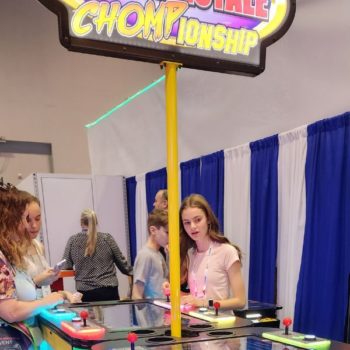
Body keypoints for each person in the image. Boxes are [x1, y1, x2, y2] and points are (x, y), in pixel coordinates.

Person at [0, 181, 77, 347]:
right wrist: (54, 298)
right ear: (9, 221)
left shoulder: (9, 255)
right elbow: (11, 311)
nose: (29, 226)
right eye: (25, 219)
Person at [178, 194, 246, 310]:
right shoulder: (190, 254)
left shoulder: (227, 251)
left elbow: (240, 301)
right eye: (187, 222)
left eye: (198, 220)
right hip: (195, 324)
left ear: (208, 219)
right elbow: (195, 296)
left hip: (220, 325)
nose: (193, 226)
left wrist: (204, 303)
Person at [62, 209, 133, 302]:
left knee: (90, 317)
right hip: (108, 291)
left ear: (81, 222)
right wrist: (136, 272)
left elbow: (66, 266)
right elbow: (124, 266)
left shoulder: (73, 241)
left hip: (84, 293)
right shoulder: (107, 239)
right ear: (96, 222)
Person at [21, 193, 60, 298]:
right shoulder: (11, 252)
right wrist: (36, 281)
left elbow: (44, 288)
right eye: (28, 220)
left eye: (37, 219)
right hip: (27, 310)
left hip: (43, 307)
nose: (34, 225)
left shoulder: (38, 246)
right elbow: (12, 295)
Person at [132, 209, 169, 299]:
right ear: (153, 230)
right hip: (150, 312)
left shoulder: (159, 254)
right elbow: (136, 295)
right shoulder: (145, 255)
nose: (170, 236)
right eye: (167, 232)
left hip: (160, 311)